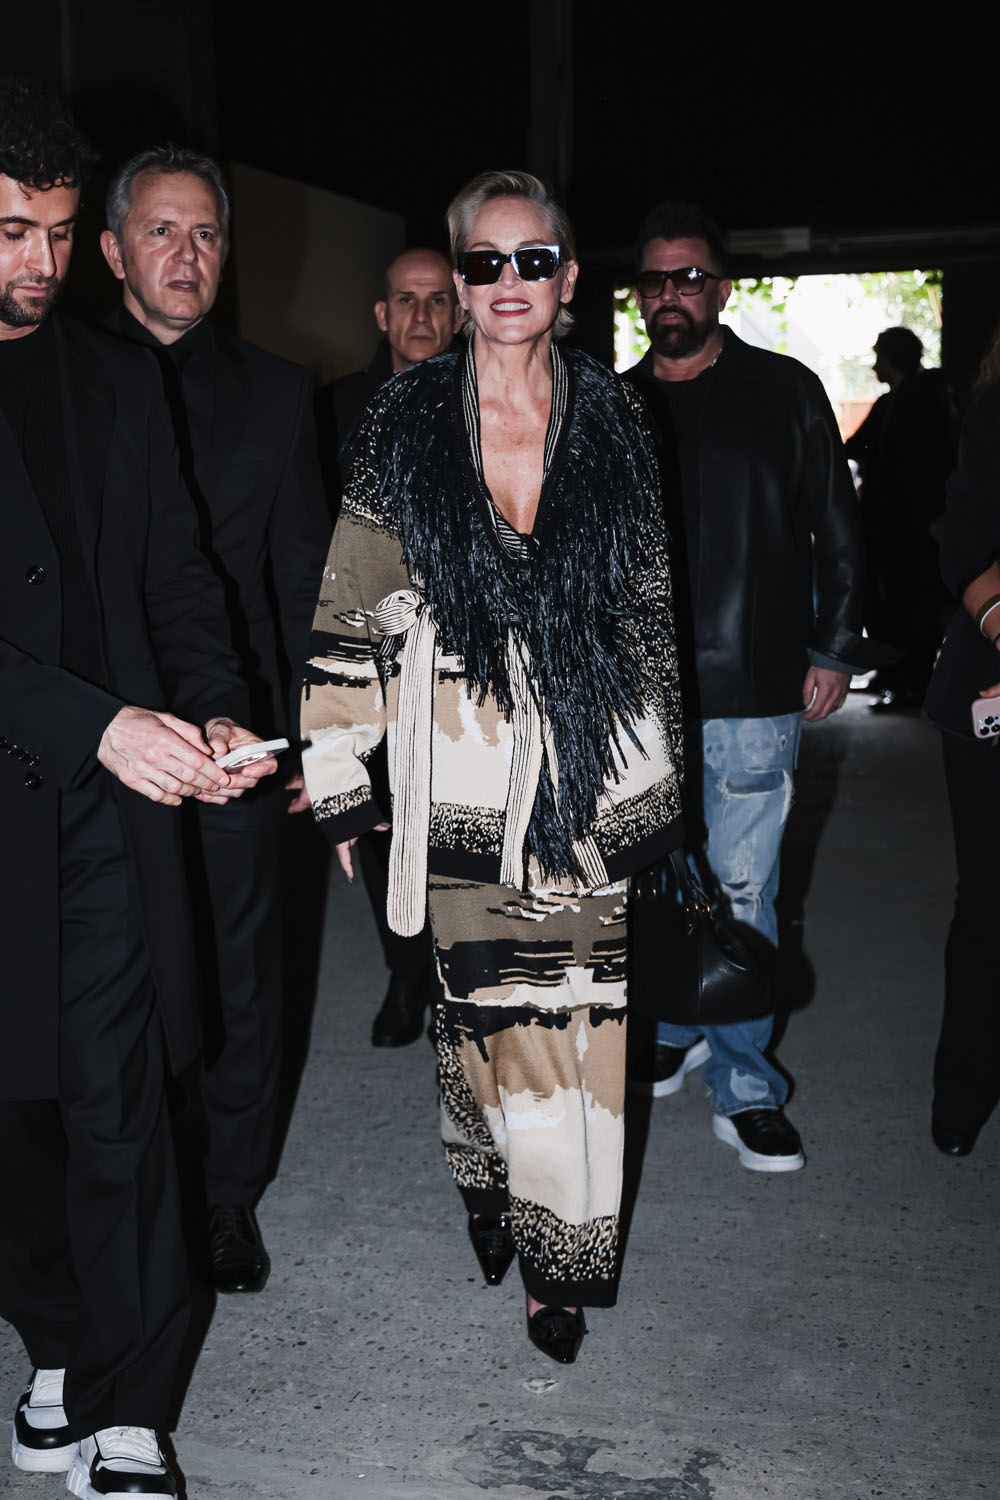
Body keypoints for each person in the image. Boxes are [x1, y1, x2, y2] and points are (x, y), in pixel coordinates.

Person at [301, 170, 684, 1363]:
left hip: (586, 771)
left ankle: (556, 1268)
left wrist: (660, 789)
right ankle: (491, 1181)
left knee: (577, 1037)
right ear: (461, 285)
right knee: (484, 1028)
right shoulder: (405, 420)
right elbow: (351, 599)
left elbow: (647, 609)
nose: (508, 280)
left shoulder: (614, 415)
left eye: (534, 259)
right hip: (455, 772)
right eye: (484, 261)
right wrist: (341, 776)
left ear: (566, 278)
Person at [0, 78, 275, 1498]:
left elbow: (179, 578)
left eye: (57, 232)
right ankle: (54, 1338)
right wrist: (91, 719)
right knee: (18, 1113)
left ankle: (127, 1400)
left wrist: (214, 702)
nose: (40, 262)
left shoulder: (116, 381)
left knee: (116, 1100)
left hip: (107, 818)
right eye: (10, 232)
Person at [99, 145, 331, 1293]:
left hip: (243, 740)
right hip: (109, 741)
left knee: (244, 976)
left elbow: (303, 579)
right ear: (112, 251)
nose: (185, 256)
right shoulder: (58, 380)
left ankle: (227, 1196)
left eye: (205, 236)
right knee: (118, 982)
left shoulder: (278, 393)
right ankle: (131, 1186)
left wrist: (319, 736)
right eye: (160, 232)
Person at [623, 201, 866, 1172]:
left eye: (688, 277)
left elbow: (838, 527)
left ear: (720, 289)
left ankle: (746, 1083)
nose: (670, 295)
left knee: (742, 891)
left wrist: (834, 646)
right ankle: (678, 1027)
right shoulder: (611, 401)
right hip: (639, 701)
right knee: (655, 885)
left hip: (753, 688)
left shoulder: (783, 390)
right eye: (654, 279)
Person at [315, 247, 461, 1047]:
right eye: (406, 300)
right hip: (372, 658)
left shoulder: (494, 400)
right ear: (382, 313)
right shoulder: (333, 410)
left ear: (460, 311)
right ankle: (408, 975)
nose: (421, 316)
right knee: (383, 832)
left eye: (437, 300)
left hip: (469, 660)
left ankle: (460, 980)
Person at [923, 332, 1000, 1156]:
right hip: (991, 686)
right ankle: (963, 1094)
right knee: (989, 904)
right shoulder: (994, 413)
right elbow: (965, 542)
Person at [845, 326, 954, 711]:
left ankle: (912, 684)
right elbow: (858, 446)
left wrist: (930, 517)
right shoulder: (894, 402)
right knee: (887, 602)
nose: (875, 364)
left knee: (910, 604)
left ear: (891, 358)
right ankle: (893, 675)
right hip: (891, 525)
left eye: (879, 356)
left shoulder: (918, 401)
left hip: (909, 527)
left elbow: (925, 466)